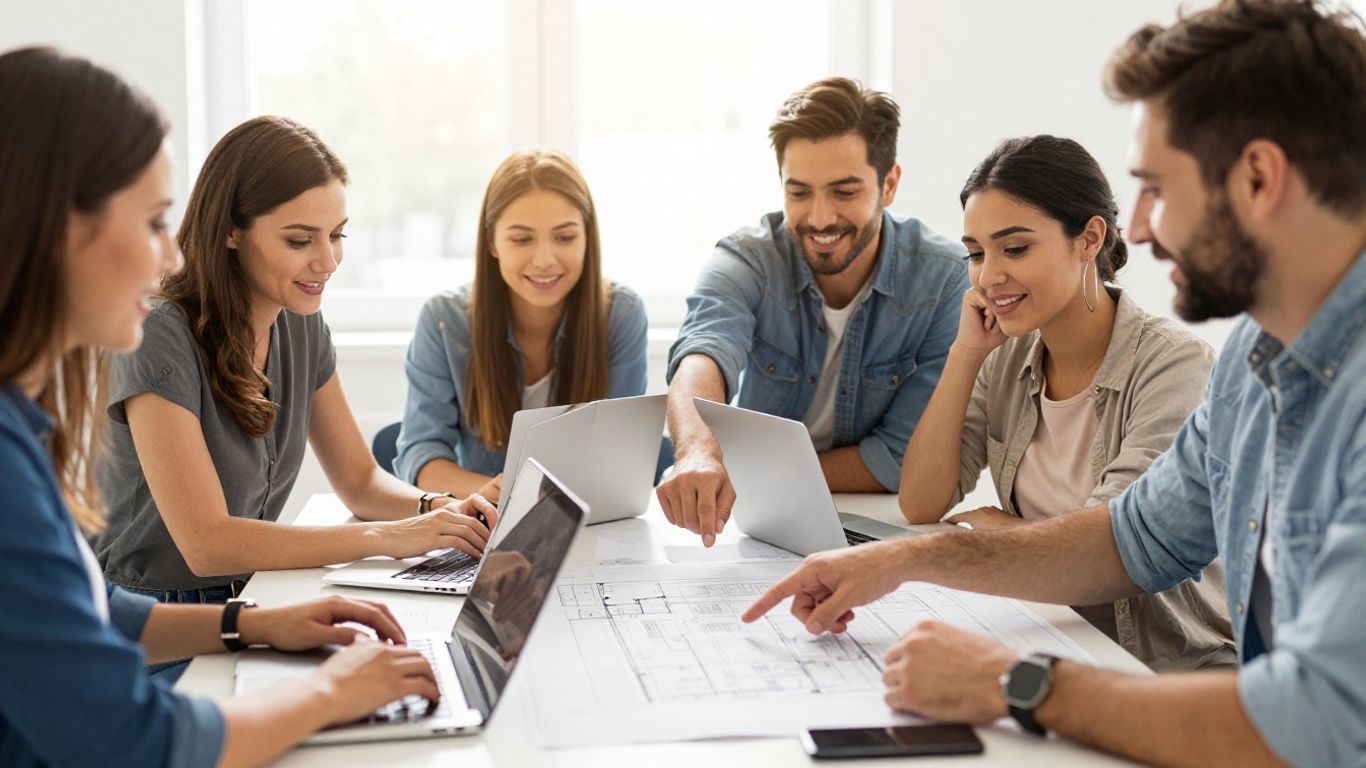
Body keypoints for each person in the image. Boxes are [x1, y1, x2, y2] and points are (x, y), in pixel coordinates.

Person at [743, 1, 1366, 765]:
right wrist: (904, 558)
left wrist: (1014, 682)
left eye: (1156, 188)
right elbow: (1129, 538)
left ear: (1260, 177)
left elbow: (1320, 722)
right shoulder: (1251, 363)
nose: (1138, 227)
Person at [0, 46, 447, 768]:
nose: (170, 257)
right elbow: (134, 741)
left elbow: (92, 612)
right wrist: (332, 693)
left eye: (335, 237)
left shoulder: (20, 425)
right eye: (150, 224)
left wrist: (256, 623)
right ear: (56, 229)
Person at [94, 116, 498, 678]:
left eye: (337, 236)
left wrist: (440, 512)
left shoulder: (299, 321)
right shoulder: (159, 333)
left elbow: (359, 479)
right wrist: (390, 537)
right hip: (153, 626)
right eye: (300, 240)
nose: (328, 262)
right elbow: (206, 544)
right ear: (231, 231)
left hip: (254, 603)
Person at [899, 135, 1233, 670]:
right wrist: (965, 354)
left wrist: (1002, 535)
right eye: (976, 254)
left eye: (1015, 249)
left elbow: (1117, 550)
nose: (988, 276)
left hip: (1162, 660)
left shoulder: (1175, 366)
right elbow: (920, 502)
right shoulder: (1005, 358)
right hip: (1047, 631)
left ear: (1089, 239)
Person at [657, 77, 969, 546]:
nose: (820, 218)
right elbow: (703, 352)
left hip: (873, 518)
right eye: (799, 193)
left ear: (889, 184)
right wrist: (699, 448)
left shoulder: (944, 281)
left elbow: (900, 457)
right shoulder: (746, 259)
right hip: (759, 524)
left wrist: (760, 473)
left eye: (844, 192)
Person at [394, 148, 648, 499]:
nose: (544, 260)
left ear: (588, 237)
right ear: (491, 242)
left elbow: (622, 455)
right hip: (486, 525)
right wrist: (499, 493)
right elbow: (421, 456)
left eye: (565, 237)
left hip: (592, 527)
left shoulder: (621, 314)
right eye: (521, 239)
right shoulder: (444, 321)